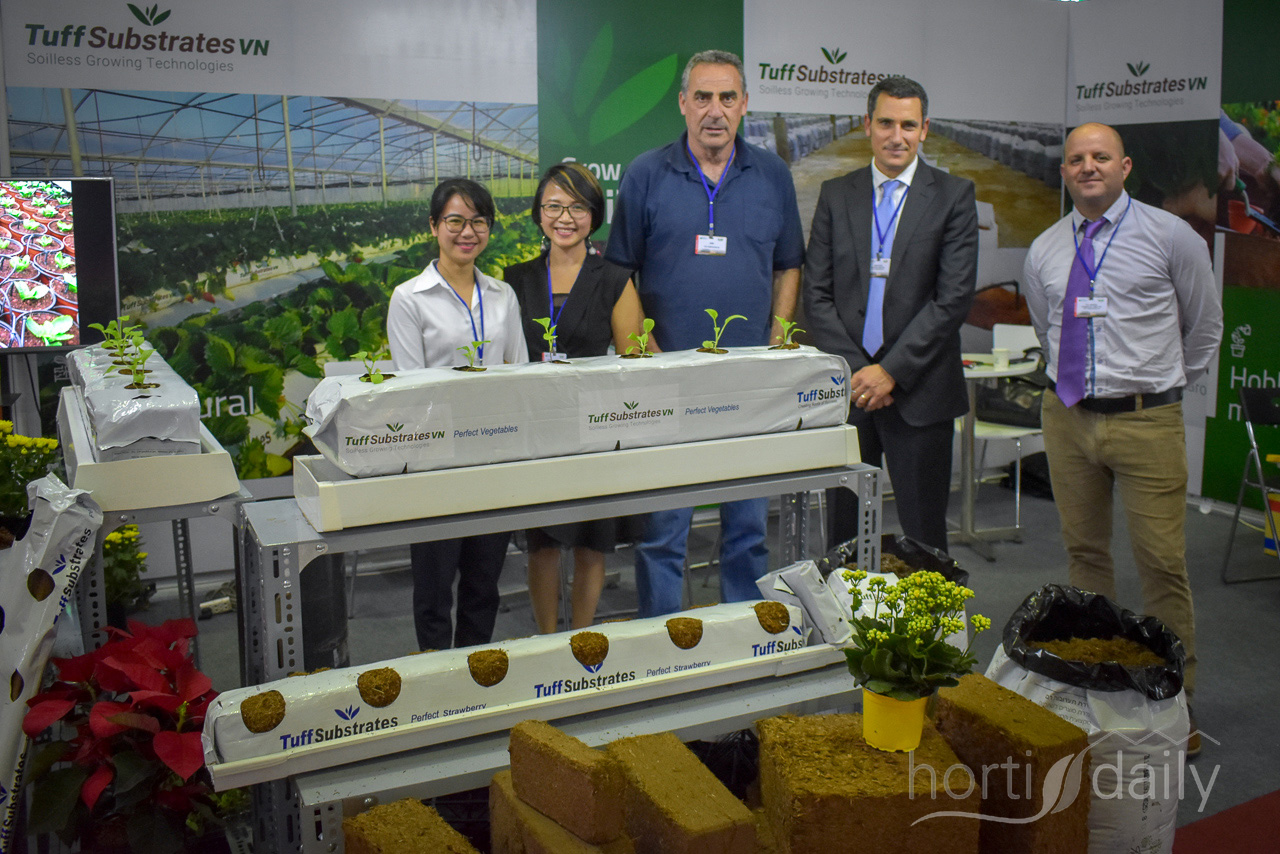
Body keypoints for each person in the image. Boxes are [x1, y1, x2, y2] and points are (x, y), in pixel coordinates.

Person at [1022, 122, 1222, 727]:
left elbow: (1205, 326)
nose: (1089, 167)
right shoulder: (1045, 248)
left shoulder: (1171, 236)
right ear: (1065, 171)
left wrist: (1158, 385)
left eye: (1101, 157)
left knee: (1161, 562)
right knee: (1084, 557)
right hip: (1068, 418)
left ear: (1125, 166)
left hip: (1146, 422)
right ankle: (1099, 684)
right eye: (1077, 158)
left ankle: (1174, 701)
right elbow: (1046, 327)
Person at [605, 49, 804, 618]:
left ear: (744, 104)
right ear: (682, 104)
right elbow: (619, 271)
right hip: (669, 381)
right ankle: (663, 641)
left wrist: (779, 339)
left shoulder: (773, 175)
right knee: (664, 531)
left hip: (750, 383)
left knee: (748, 527)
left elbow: (789, 263)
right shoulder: (646, 173)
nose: (714, 110)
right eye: (702, 97)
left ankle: (742, 632)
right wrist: (646, 353)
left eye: (726, 97)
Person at [804, 76, 978, 552]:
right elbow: (816, 295)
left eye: (908, 125)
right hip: (850, 395)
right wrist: (860, 372)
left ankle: (925, 610)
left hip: (920, 394)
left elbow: (952, 299)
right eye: (885, 123)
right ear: (867, 125)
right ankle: (845, 606)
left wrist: (891, 372)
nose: (896, 136)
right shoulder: (837, 194)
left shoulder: (953, 196)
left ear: (924, 129)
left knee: (924, 539)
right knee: (843, 540)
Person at [386, 177, 528, 651]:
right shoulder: (410, 298)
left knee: (484, 583)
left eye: (478, 221)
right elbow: (413, 387)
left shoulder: (503, 295)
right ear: (433, 226)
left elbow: (519, 372)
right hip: (436, 461)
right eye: (455, 221)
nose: (467, 232)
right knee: (433, 588)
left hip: (494, 455)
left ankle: (475, 673)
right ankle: (435, 676)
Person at [504, 163, 648, 632]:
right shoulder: (516, 279)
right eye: (554, 206)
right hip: (537, 430)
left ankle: (583, 639)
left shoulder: (615, 279)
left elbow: (632, 362)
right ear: (538, 213)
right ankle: (547, 640)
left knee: (591, 545)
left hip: (596, 431)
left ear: (594, 215)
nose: (565, 218)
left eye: (578, 207)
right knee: (542, 545)